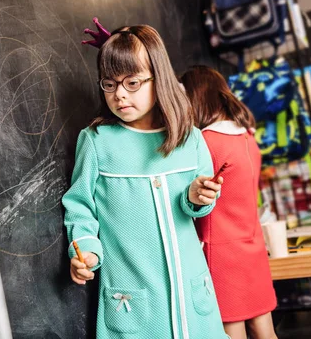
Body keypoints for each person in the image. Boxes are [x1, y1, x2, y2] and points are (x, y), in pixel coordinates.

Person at [63, 24, 230, 339]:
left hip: (194, 306)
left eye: (133, 82)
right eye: (109, 84)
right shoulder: (97, 141)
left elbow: (200, 208)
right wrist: (85, 252)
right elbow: (80, 204)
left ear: (159, 78)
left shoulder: (189, 139)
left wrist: (197, 197)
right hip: (134, 308)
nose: (120, 94)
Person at [180, 65, 277, 339]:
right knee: (265, 332)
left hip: (221, 252)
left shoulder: (206, 141)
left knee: (232, 333)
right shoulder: (248, 138)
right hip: (252, 244)